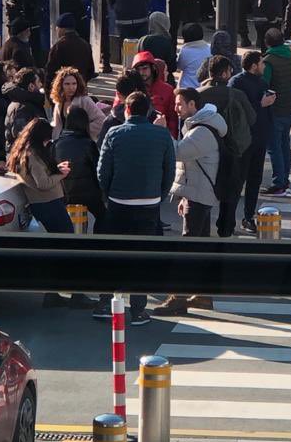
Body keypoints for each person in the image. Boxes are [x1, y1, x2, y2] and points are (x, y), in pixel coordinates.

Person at [96, 91, 176, 325]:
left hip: (119, 202)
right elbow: (169, 171)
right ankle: (138, 310)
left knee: (114, 255)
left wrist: (108, 194)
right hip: (149, 204)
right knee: (143, 258)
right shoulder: (162, 135)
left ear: (127, 110)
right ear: (149, 111)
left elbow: (103, 171)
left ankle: (105, 302)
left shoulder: (114, 133)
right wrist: (158, 195)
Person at [153, 88, 227, 317]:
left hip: (200, 194)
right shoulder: (202, 124)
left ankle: (179, 297)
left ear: (193, 105)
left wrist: (162, 131)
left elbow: (178, 152)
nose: (176, 108)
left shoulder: (203, 130)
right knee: (200, 246)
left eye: (180, 104)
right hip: (198, 193)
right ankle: (203, 294)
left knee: (188, 248)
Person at [198, 54, 255, 237]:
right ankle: (226, 228)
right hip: (232, 149)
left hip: (204, 149)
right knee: (231, 193)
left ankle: (202, 228)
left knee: (202, 194)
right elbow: (252, 118)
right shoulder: (237, 95)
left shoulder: (198, 94)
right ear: (224, 73)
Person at [230, 50, 277, 234]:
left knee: (254, 181)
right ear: (253, 65)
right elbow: (238, 110)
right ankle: (229, 218)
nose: (264, 67)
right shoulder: (237, 82)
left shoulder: (262, 82)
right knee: (238, 179)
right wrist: (261, 104)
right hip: (243, 140)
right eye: (261, 63)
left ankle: (248, 217)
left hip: (259, 138)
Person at [7, 117, 73, 233]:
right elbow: (43, 183)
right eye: (47, 139)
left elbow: (38, 174)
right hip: (48, 203)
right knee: (66, 235)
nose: (48, 142)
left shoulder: (23, 151)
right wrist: (61, 174)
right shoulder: (33, 155)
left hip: (43, 203)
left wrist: (57, 169)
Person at [261, 27, 291, 196]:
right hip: (289, 107)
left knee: (274, 148)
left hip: (274, 109)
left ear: (267, 42)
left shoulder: (269, 61)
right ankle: (285, 180)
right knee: (284, 145)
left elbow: (264, 84)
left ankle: (278, 183)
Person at [52, 106, 104, 225]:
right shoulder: (88, 144)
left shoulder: (56, 144)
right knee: (103, 216)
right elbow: (97, 169)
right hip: (88, 194)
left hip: (64, 193)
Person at [49, 66, 106, 142]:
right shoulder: (59, 102)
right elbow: (57, 125)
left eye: (74, 84)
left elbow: (101, 120)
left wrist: (83, 132)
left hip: (80, 143)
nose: (71, 87)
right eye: (67, 84)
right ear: (60, 86)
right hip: (62, 143)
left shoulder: (85, 101)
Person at [133, 50, 178, 137]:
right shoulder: (130, 87)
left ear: (152, 68)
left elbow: (173, 119)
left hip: (160, 137)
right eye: (138, 70)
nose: (142, 73)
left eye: (145, 68)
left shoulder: (167, 90)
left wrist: (171, 138)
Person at [44, 13, 95, 90]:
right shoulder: (86, 45)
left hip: (63, 93)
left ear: (62, 29)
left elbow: (50, 73)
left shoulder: (58, 46)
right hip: (80, 90)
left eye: (57, 29)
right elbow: (91, 71)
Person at [4, 66, 46, 151]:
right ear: (31, 86)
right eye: (38, 82)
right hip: (23, 156)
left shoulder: (21, 103)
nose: (41, 85)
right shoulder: (22, 108)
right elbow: (21, 135)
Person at [137, 10, 176, 74]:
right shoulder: (166, 42)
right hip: (163, 78)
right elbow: (172, 67)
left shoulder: (142, 40)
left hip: (145, 77)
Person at [176, 22, 211, 89]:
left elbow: (180, 66)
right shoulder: (209, 48)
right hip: (204, 86)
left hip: (187, 86)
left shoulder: (185, 50)